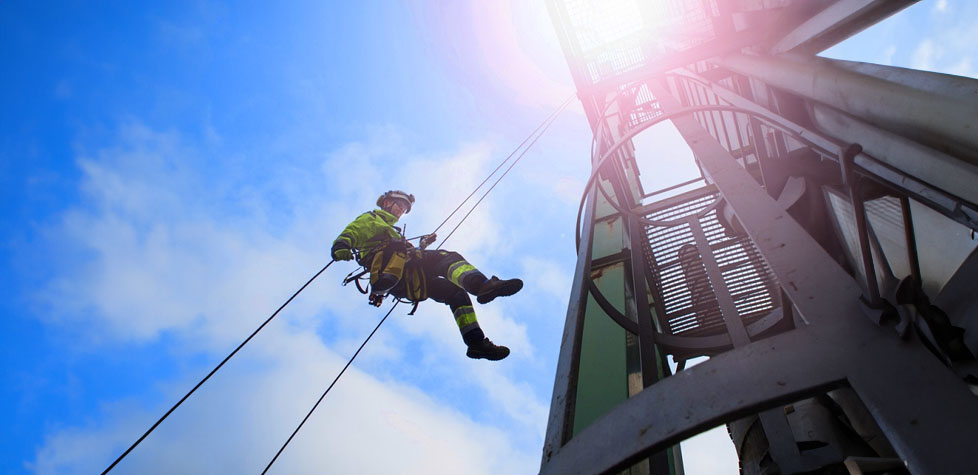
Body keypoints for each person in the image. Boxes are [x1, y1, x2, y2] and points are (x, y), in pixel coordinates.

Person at [330, 190, 522, 361]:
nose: (400, 211)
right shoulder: (373, 219)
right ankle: (482, 285)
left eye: (404, 209)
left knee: (455, 294)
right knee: (447, 258)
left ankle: (476, 343)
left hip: (405, 277)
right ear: (387, 203)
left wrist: (422, 245)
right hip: (396, 271)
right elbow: (354, 231)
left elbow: (405, 254)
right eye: (399, 205)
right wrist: (342, 245)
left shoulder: (393, 232)